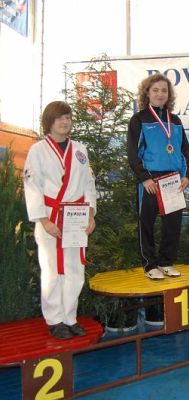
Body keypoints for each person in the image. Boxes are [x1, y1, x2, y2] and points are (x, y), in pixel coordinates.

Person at [24, 101, 96, 340]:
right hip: (51, 216)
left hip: (76, 217)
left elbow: (88, 184)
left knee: (75, 269)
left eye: (67, 117)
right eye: (59, 118)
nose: (64, 122)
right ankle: (55, 320)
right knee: (52, 270)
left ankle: (70, 317)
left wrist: (91, 214)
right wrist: (44, 220)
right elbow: (32, 187)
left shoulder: (80, 149)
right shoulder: (38, 150)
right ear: (49, 121)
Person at [127, 73, 189, 280]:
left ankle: (166, 262)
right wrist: (144, 178)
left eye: (164, 90)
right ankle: (149, 265)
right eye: (155, 90)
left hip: (173, 179)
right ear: (147, 93)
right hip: (150, 180)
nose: (160, 94)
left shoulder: (176, 121)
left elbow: (185, 150)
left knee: (172, 224)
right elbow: (132, 153)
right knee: (146, 223)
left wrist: (187, 175)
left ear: (169, 94)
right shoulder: (139, 120)